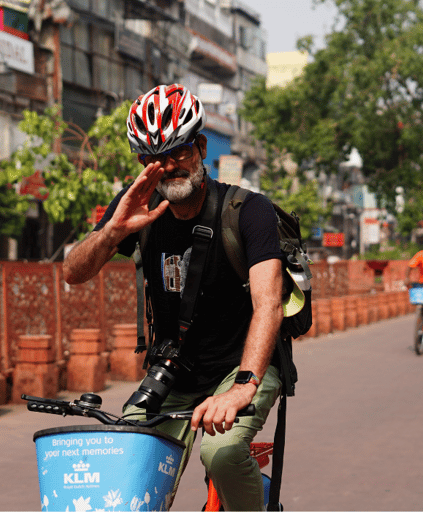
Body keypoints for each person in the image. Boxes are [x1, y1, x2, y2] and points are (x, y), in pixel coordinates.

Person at [63, 84, 284, 511]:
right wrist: (112, 232)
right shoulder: (136, 207)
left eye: (178, 152)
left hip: (240, 367)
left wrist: (242, 387)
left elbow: (268, 304)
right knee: (126, 460)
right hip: (172, 374)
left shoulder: (249, 211)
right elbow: (73, 273)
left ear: (200, 147)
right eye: (151, 158)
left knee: (219, 454)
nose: (166, 167)